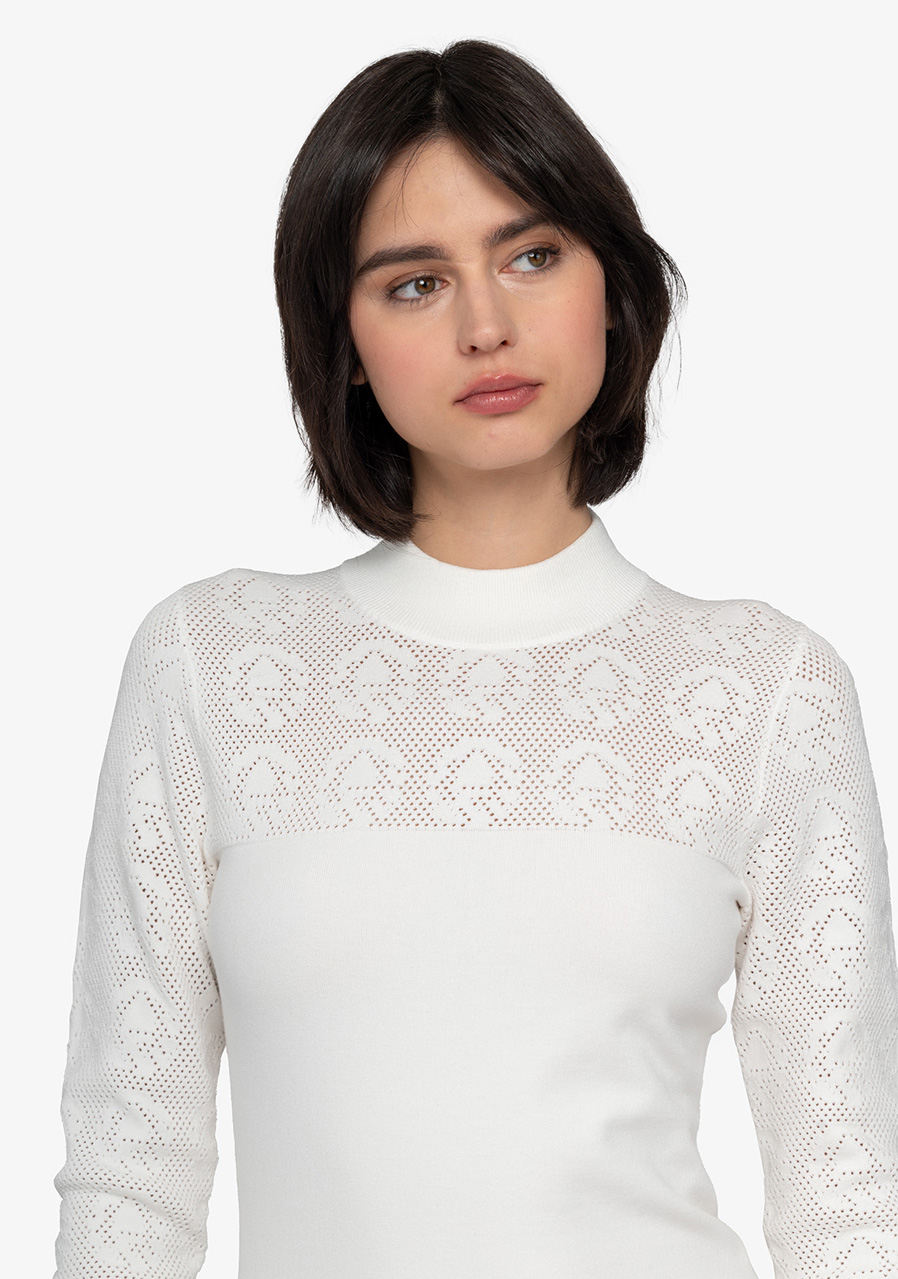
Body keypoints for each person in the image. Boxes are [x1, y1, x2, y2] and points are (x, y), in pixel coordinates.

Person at [52, 39, 898, 1279]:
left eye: (532, 255)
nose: (486, 325)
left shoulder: (766, 689)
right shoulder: (210, 666)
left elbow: (843, 1192)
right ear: (341, 338)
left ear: (611, 287)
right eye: (414, 283)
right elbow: (131, 1162)